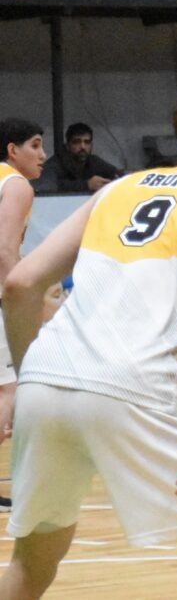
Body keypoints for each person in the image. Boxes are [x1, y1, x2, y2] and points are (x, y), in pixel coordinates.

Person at [0, 76, 177, 599]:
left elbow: (20, 284)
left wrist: (26, 381)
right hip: (133, 388)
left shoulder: (118, 188)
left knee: (34, 561)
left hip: (47, 381)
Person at [0, 119, 46, 513]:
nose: (43, 155)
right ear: (12, 150)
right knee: (7, 392)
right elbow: (3, 251)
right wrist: (20, 299)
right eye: (34, 145)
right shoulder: (15, 185)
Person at [37, 122, 120, 194]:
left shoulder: (94, 162)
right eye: (77, 142)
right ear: (68, 146)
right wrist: (86, 185)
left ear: (91, 145)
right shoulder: (55, 164)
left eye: (87, 142)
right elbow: (47, 188)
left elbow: (118, 175)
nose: (82, 147)